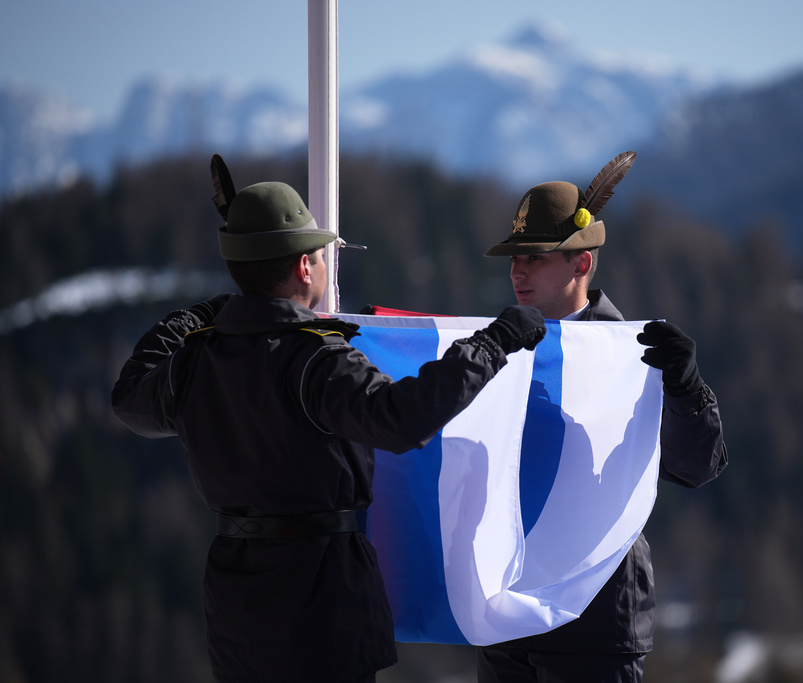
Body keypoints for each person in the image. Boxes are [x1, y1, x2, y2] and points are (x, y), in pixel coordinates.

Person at [110, 159, 547, 683]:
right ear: (302, 269)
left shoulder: (197, 360)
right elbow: (401, 419)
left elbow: (130, 394)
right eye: (318, 254)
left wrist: (200, 315)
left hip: (238, 606)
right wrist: (492, 343)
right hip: (321, 603)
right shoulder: (315, 359)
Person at [476, 151, 728, 682]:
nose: (518, 270)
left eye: (536, 256)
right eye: (514, 258)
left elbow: (698, 465)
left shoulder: (637, 355)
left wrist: (684, 387)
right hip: (508, 610)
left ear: (581, 264)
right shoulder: (499, 347)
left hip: (596, 615)